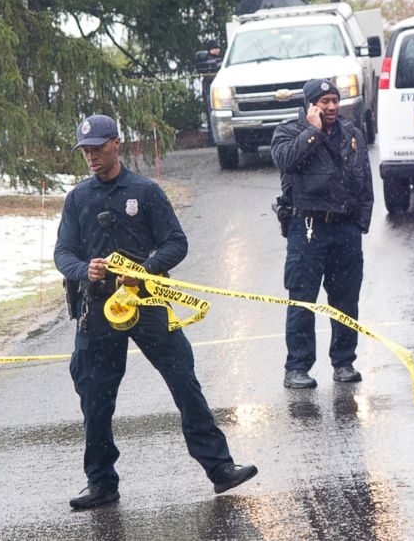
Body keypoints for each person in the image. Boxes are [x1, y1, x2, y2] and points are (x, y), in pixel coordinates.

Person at [55, 114, 257, 510]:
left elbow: (176, 243)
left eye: (98, 147)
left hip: (147, 301)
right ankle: (101, 483)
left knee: (184, 381)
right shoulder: (78, 198)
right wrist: (85, 270)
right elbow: (63, 253)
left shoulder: (145, 192)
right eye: (86, 151)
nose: (92, 156)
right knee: (95, 397)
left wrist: (142, 271)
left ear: (117, 143)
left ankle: (220, 469)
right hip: (98, 306)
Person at [270, 79, 374, 389]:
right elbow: (286, 160)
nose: (331, 107)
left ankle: (344, 362)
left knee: (346, 300)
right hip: (307, 228)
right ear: (311, 104)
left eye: (334, 100)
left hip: (345, 229)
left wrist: (359, 225)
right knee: (303, 301)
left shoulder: (351, 134)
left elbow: (365, 181)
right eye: (324, 101)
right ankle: (297, 367)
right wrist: (312, 133)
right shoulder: (289, 132)